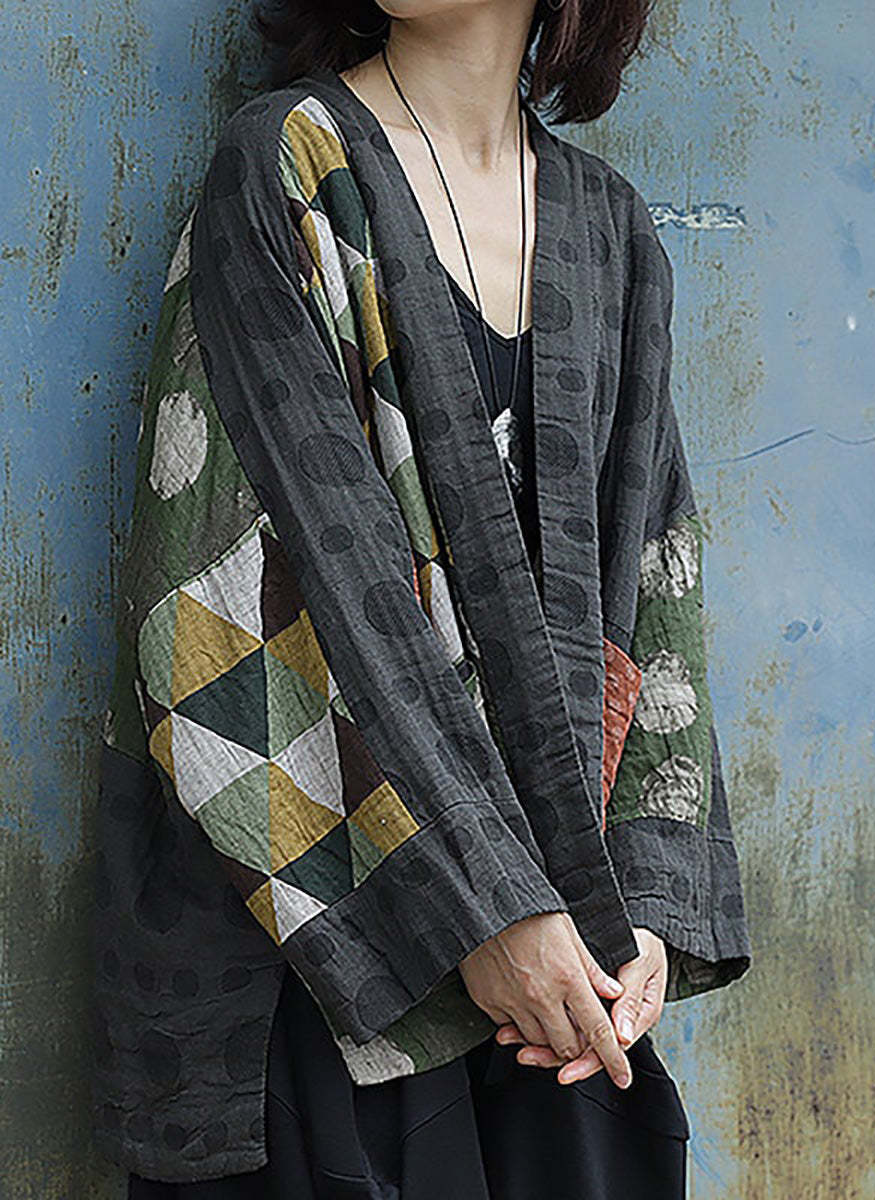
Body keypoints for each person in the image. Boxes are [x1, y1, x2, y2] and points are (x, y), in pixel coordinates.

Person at [90, 2, 752, 1197]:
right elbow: (266, 584)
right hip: (328, 946)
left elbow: (657, 576)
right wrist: (478, 909)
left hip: (561, 972)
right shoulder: (289, 167)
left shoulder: (608, 229)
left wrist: (644, 906)